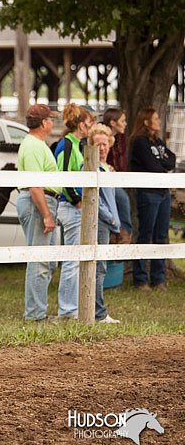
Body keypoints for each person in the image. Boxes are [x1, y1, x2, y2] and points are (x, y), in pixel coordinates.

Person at [16, 104, 61, 321]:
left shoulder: (37, 144)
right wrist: (46, 214)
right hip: (38, 202)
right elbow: (35, 185)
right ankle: (35, 314)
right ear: (43, 123)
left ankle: (37, 310)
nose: (52, 122)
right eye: (51, 119)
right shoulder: (34, 145)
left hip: (43, 201)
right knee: (40, 259)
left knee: (48, 260)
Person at [54, 103, 95, 319]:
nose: (91, 127)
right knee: (72, 259)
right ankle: (68, 309)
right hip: (70, 206)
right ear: (80, 125)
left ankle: (71, 306)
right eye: (88, 123)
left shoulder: (75, 144)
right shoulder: (68, 145)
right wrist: (77, 199)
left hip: (73, 206)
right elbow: (65, 177)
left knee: (75, 258)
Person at [129, 107, 175, 292]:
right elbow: (153, 166)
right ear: (146, 121)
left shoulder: (157, 141)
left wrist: (162, 163)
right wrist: (162, 163)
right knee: (146, 234)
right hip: (148, 192)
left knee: (161, 235)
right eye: (155, 118)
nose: (158, 121)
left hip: (163, 193)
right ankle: (140, 279)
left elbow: (171, 160)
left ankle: (159, 278)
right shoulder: (139, 142)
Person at [87, 124, 121, 324]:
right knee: (98, 268)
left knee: (100, 267)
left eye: (105, 143)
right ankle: (98, 313)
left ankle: (96, 310)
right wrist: (111, 218)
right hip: (99, 222)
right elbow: (95, 201)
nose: (102, 148)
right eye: (98, 144)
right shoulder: (91, 167)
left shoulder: (106, 168)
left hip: (107, 223)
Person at [102, 108, 132, 243]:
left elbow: (121, 161)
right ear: (113, 123)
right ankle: (123, 233)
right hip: (104, 178)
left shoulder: (121, 138)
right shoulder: (102, 136)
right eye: (123, 121)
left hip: (117, 179)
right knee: (123, 200)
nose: (125, 124)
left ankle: (119, 234)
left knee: (119, 202)